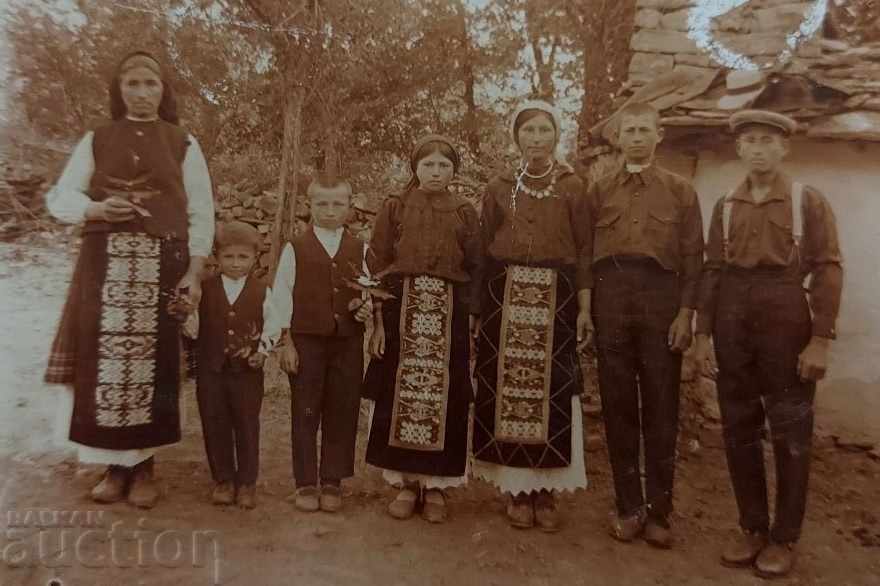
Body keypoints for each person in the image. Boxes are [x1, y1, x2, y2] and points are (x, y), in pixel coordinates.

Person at [44, 51, 214, 508]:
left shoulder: (183, 143)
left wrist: (194, 272)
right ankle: (113, 469)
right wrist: (95, 209)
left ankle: (144, 470)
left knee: (151, 368)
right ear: (120, 91)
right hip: (104, 268)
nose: (142, 93)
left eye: (150, 84)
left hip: (161, 266)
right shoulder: (97, 139)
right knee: (106, 367)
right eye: (132, 84)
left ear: (164, 90)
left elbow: (201, 212)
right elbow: (61, 196)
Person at [694, 110, 843, 578]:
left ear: (783, 148)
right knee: (738, 427)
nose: (758, 149)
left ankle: (785, 536)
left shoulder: (806, 201)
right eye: (749, 141)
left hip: (784, 312)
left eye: (767, 141)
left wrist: (819, 340)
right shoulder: (726, 205)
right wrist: (703, 335)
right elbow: (713, 271)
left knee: (790, 431)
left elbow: (828, 269)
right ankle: (752, 527)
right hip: (733, 317)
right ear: (739, 149)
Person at [580, 102, 704, 547]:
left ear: (658, 135)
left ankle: (660, 513)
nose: (635, 137)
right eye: (628, 130)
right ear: (618, 138)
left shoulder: (680, 191)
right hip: (612, 299)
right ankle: (628, 507)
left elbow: (694, 258)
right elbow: (584, 257)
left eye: (643, 130)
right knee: (617, 407)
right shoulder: (599, 190)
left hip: (660, 301)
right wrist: (588, 309)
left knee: (661, 407)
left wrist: (686, 313)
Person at [472, 100, 589, 532]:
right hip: (504, 293)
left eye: (544, 130)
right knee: (508, 389)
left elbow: (584, 251)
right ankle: (516, 489)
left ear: (556, 135)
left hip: (557, 296)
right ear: (516, 137)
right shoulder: (500, 186)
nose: (536, 139)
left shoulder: (574, 186)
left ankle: (546, 491)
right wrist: (478, 310)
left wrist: (585, 307)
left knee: (554, 390)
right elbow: (484, 250)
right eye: (528, 131)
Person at [363, 134, 482, 523]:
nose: (436, 171)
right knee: (399, 395)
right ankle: (406, 484)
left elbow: (477, 267)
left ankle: (436, 487)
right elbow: (378, 262)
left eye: (444, 165)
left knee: (446, 397)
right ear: (415, 167)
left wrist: (474, 318)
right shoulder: (395, 208)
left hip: (451, 316)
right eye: (428, 164)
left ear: (453, 171)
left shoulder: (465, 210)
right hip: (402, 310)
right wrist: (379, 319)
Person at [273, 175, 372, 513]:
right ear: (310, 206)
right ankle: (305, 483)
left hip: (347, 342)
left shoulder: (360, 248)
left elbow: (366, 291)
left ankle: (332, 481)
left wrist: (364, 308)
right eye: (322, 204)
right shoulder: (295, 247)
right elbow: (282, 295)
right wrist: (286, 342)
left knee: (342, 409)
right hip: (306, 341)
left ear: (349, 207)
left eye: (338, 204)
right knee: (305, 410)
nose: (330, 211)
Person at [182, 221, 280, 509]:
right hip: (211, 372)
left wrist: (262, 352)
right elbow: (194, 328)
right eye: (229, 257)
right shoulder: (205, 290)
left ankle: (247, 482)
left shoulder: (262, 291)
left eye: (243, 257)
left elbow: (272, 327)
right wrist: (185, 315)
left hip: (247, 374)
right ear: (216, 257)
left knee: (247, 425)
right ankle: (223, 480)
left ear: (254, 258)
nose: (236, 264)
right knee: (215, 423)